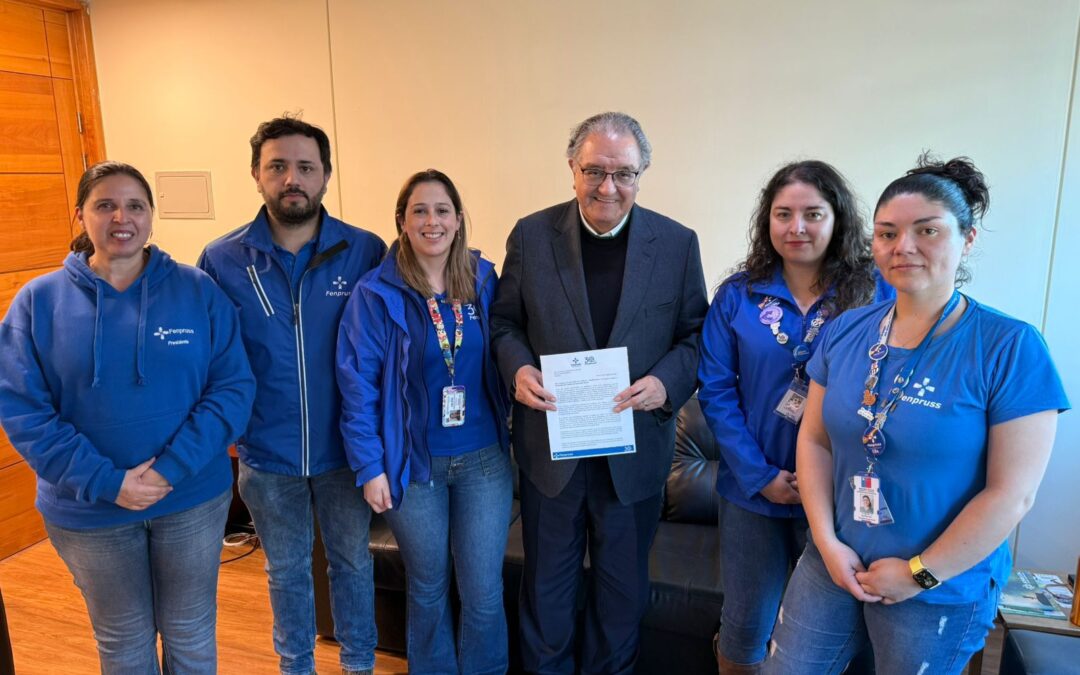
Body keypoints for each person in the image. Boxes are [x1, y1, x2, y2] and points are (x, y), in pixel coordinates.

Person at [764, 156, 1070, 674]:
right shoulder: (846, 330)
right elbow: (814, 441)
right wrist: (827, 542)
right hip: (835, 562)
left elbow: (1012, 494)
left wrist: (919, 574)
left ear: (967, 239)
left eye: (927, 230)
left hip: (938, 586)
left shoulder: (1010, 347)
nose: (902, 246)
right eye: (887, 233)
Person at [0, 161, 255, 673]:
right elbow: (23, 409)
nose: (122, 217)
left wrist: (168, 471)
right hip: (89, 510)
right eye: (105, 205)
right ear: (80, 215)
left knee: (190, 630)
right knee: (123, 641)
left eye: (135, 205)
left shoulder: (197, 290)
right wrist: (107, 482)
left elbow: (232, 388)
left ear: (151, 216)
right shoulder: (38, 302)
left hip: (188, 499)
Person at [491, 112, 708, 674]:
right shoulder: (531, 235)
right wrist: (518, 369)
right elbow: (504, 323)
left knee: (621, 598)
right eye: (594, 171)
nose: (608, 187)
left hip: (633, 455)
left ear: (641, 174)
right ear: (572, 168)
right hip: (551, 454)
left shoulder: (677, 244)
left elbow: (695, 336)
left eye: (623, 173)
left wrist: (665, 383)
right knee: (547, 594)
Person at [198, 117, 386, 675]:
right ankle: (295, 666)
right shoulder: (222, 259)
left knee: (352, 564)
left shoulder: (364, 250)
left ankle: (358, 665)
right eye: (277, 166)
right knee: (285, 571)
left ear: (326, 175)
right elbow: (210, 356)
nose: (292, 179)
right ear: (256, 174)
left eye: (306, 167)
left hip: (347, 452)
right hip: (266, 455)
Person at [697, 160, 892, 674]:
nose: (796, 227)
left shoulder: (875, 294)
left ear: (837, 219)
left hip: (839, 495)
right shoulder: (737, 295)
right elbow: (716, 391)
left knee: (835, 633)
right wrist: (759, 476)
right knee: (744, 628)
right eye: (783, 214)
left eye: (813, 214)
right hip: (752, 492)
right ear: (767, 220)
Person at [337, 169, 512, 674]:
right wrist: (370, 467)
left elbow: (511, 345)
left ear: (458, 220)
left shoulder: (483, 280)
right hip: (414, 467)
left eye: (442, 210)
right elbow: (358, 386)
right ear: (401, 221)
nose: (432, 221)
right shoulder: (376, 293)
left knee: (483, 590)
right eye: (419, 211)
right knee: (428, 587)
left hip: (484, 463)